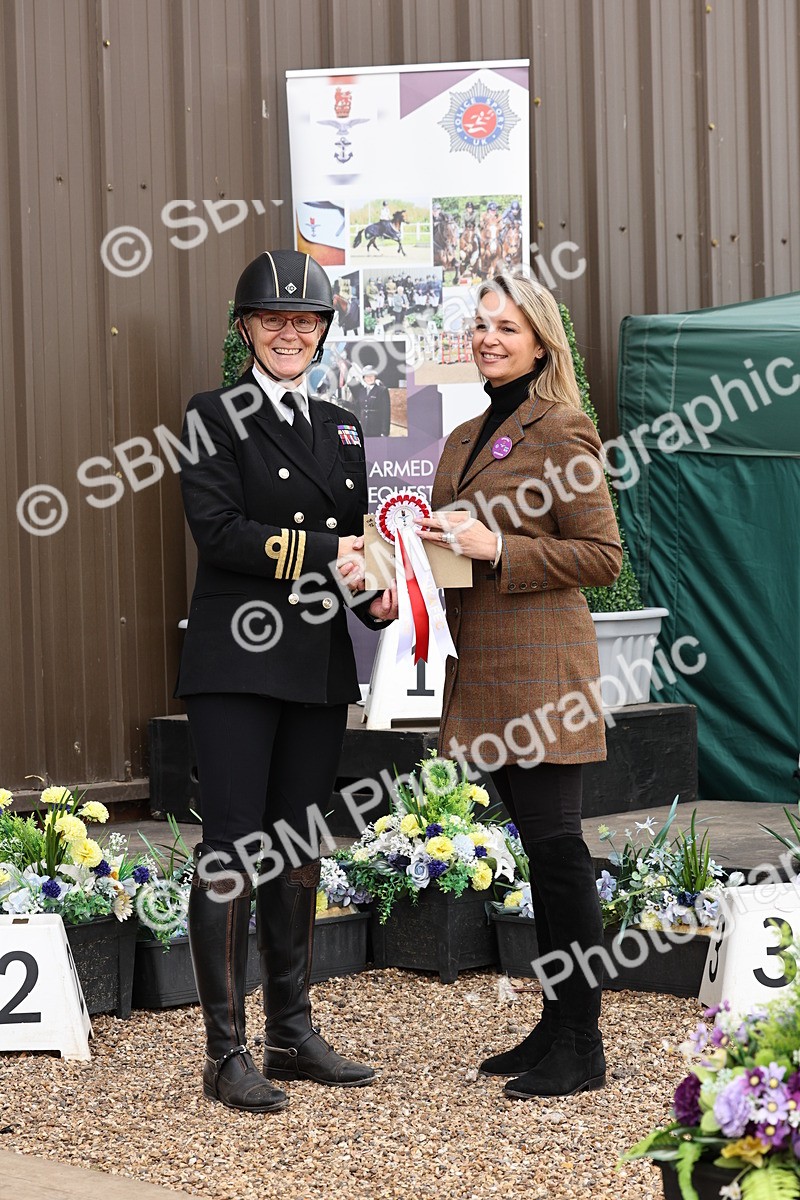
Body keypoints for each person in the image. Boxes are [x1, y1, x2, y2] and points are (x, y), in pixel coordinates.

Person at [175, 249, 398, 1114]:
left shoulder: (342, 427)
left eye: (305, 320)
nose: (290, 333)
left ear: (323, 333)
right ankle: (224, 1054)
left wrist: (375, 596)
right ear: (247, 329)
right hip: (236, 660)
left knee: (299, 849)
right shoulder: (211, 415)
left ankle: (291, 1034)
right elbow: (220, 532)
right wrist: (330, 551)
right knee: (233, 851)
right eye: (274, 319)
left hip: (315, 662)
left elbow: (354, 545)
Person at [417, 271, 622, 1100]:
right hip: (482, 669)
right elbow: (448, 553)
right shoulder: (465, 435)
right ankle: (554, 1020)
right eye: (481, 325)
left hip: (541, 674)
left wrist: (499, 548)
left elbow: (602, 557)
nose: (489, 338)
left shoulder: (563, 428)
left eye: (507, 327)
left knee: (559, 853)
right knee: (541, 852)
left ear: (541, 342)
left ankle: (582, 1041)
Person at [358, 369, 391, 437]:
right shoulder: (362, 391)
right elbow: (358, 407)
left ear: (375, 377)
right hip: (364, 428)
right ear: (364, 378)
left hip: (376, 428)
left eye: (371, 376)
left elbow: (386, 412)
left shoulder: (382, 390)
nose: (369, 378)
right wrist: (344, 403)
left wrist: (384, 432)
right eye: (367, 376)